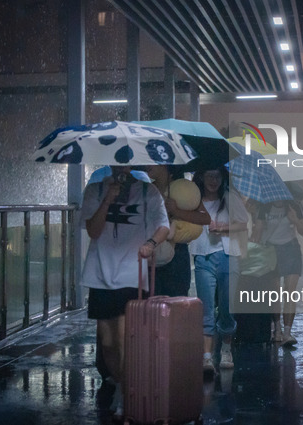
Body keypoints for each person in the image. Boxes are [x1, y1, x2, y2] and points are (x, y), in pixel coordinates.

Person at [80, 165, 170, 418]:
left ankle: (125, 394)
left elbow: (163, 226)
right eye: (118, 162)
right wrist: (108, 199)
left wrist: (151, 244)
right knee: (107, 343)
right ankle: (121, 383)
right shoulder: (96, 190)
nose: (123, 168)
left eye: (127, 163)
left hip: (133, 271)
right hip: (99, 272)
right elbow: (93, 231)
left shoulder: (147, 192)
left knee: (123, 338)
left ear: (133, 166)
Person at [189, 167, 248, 374]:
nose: (213, 180)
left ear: (223, 178)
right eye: (209, 175)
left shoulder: (229, 198)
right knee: (206, 307)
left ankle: (225, 349)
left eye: (217, 176)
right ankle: (206, 357)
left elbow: (243, 223)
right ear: (201, 176)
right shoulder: (193, 199)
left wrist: (222, 228)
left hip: (228, 256)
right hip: (203, 256)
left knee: (227, 306)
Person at [144, 165, 210, 297]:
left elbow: (205, 218)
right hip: (151, 251)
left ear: (165, 165)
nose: (146, 164)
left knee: (176, 301)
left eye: (152, 161)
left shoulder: (184, 189)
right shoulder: (147, 189)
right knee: (152, 301)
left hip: (177, 254)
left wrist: (176, 211)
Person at [252, 200, 303, 347]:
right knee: (274, 293)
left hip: (291, 249)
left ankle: (287, 333)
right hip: (271, 250)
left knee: (289, 292)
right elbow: (257, 232)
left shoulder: (294, 205)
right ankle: (277, 329)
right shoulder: (264, 206)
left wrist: (294, 219)